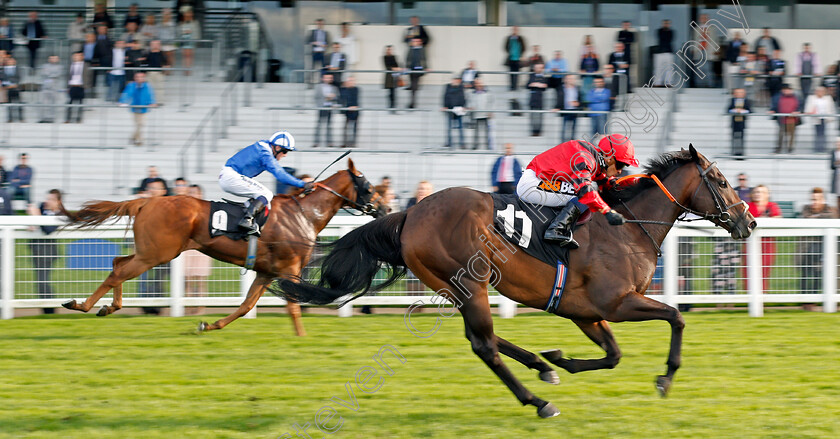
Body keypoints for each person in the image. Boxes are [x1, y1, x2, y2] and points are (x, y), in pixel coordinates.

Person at [516, 134, 639, 247]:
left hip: (538, 179)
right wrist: (607, 212)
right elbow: (586, 191)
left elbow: (607, 181)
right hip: (532, 185)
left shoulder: (592, 156)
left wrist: (639, 183)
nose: (620, 171)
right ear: (610, 158)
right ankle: (556, 229)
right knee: (585, 194)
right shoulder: (585, 159)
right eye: (621, 165)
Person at [219, 131, 314, 235]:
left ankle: (246, 215)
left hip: (230, 175)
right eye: (285, 151)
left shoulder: (263, 148)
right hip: (231, 176)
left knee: (262, 198)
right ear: (277, 148)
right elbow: (280, 174)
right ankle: (246, 220)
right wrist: (302, 184)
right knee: (266, 194)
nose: (285, 155)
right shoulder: (265, 153)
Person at [796, 187, 837, 302]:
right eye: (812, 199)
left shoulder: (829, 209)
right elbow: (806, 218)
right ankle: (804, 300)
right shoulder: (806, 208)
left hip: (823, 250)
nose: (814, 203)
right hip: (806, 249)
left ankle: (814, 299)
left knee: (817, 275)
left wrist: (816, 218)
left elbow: (830, 217)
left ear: (822, 199)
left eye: (817, 200)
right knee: (805, 274)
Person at [27, 189, 63, 314]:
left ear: (58, 202)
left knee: (42, 281)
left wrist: (36, 217)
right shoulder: (42, 207)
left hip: (48, 252)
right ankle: (48, 310)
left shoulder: (60, 215)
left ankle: (50, 311)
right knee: (40, 282)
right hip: (37, 250)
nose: (47, 201)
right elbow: (35, 224)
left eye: (51, 199)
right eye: (47, 198)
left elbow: (48, 229)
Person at [746, 185, 782, 292]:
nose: (758, 194)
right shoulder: (748, 206)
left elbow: (778, 218)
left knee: (764, 271)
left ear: (767, 194)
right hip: (750, 244)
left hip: (767, 244)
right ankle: (750, 295)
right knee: (749, 270)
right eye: (756, 192)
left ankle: (762, 294)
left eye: (761, 192)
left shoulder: (772, 206)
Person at [183, 184, 211, 315]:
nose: (193, 195)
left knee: (200, 279)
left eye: (195, 192)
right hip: (187, 247)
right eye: (190, 192)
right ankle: (188, 307)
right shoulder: (184, 211)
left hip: (202, 247)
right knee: (187, 279)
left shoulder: (206, 209)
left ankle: (200, 307)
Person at [119, 71, 156, 146]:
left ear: (144, 78)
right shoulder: (131, 85)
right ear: (135, 78)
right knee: (139, 124)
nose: (139, 79)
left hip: (144, 107)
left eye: (141, 77)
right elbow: (127, 94)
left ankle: (135, 139)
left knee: (141, 124)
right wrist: (123, 101)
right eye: (137, 77)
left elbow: (150, 94)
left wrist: (152, 102)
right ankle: (138, 140)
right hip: (135, 108)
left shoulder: (147, 86)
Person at [769, 84, 800, 153]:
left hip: (792, 119)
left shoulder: (796, 97)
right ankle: (778, 148)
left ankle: (790, 148)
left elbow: (800, 105)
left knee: (791, 134)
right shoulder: (778, 97)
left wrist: (797, 111)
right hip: (781, 118)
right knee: (780, 134)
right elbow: (774, 105)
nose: (787, 91)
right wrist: (772, 110)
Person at [804, 86, 835, 153]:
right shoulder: (811, 98)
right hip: (816, 118)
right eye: (818, 91)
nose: (820, 93)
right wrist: (811, 112)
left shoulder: (828, 98)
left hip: (825, 118)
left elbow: (831, 108)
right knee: (818, 133)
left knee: (823, 133)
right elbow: (808, 108)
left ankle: (823, 148)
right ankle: (817, 148)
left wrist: (831, 117)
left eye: (822, 91)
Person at [314, 72, 339, 148]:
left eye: (330, 78)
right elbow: (316, 97)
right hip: (321, 107)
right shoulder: (318, 87)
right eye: (326, 77)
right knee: (319, 125)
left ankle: (329, 142)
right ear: (323, 78)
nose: (328, 79)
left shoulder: (334, 88)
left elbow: (337, 97)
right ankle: (316, 142)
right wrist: (325, 98)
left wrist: (333, 98)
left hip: (330, 108)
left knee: (329, 125)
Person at [468, 78, 493, 150]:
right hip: (476, 114)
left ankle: (488, 145)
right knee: (476, 132)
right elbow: (470, 102)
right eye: (476, 84)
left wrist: (490, 112)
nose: (478, 85)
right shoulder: (472, 93)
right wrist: (470, 107)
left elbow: (491, 103)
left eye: (479, 83)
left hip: (485, 114)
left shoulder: (488, 93)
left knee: (487, 131)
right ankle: (475, 145)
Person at [442, 76, 466, 148]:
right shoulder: (448, 87)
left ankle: (462, 143)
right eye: (454, 80)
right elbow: (445, 96)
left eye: (457, 80)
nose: (456, 81)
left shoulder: (460, 87)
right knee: (449, 127)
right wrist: (445, 106)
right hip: (450, 109)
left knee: (461, 127)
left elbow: (462, 97)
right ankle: (449, 143)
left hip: (458, 109)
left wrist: (463, 106)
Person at [728, 88, 752, 158]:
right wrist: (735, 110)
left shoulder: (747, 101)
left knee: (741, 137)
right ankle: (734, 151)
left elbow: (750, 110)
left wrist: (742, 111)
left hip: (742, 122)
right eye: (737, 93)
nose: (739, 94)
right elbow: (728, 109)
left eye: (741, 93)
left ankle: (741, 152)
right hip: (734, 122)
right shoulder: (732, 101)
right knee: (734, 137)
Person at [38, 55, 62, 123]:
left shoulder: (59, 67)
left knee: (53, 104)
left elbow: (58, 74)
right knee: (43, 103)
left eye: (55, 58)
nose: (53, 59)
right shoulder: (45, 66)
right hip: (45, 87)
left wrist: (50, 75)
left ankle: (52, 118)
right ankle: (43, 118)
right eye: (51, 58)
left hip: (54, 88)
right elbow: (44, 73)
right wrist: (52, 75)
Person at [527, 63, 548, 137]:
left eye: (539, 68)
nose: (537, 69)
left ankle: (539, 131)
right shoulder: (531, 75)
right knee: (533, 116)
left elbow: (545, 86)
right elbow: (528, 85)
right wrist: (538, 85)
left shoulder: (543, 76)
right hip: (533, 99)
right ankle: (533, 131)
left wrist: (535, 84)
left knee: (539, 116)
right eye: (536, 67)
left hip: (540, 99)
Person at [178, 7, 200, 75]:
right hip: (184, 40)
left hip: (191, 40)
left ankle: (189, 69)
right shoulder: (181, 23)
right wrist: (183, 33)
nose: (188, 14)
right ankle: (185, 69)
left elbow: (197, 32)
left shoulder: (195, 23)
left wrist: (196, 39)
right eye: (186, 13)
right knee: (185, 55)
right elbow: (179, 32)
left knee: (190, 55)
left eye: (189, 13)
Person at [503, 26, 526, 91]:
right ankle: (512, 87)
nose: (515, 31)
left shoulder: (520, 38)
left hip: (518, 59)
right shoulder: (509, 38)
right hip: (511, 59)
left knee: (517, 74)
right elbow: (506, 47)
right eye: (514, 30)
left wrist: (521, 55)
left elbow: (523, 47)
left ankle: (515, 86)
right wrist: (510, 53)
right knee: (511, 73)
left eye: (516, 30)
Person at [405, 37, 426, 109]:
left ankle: (412, 102)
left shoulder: (422, 50)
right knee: (413, 85)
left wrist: (426, 67)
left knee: (414, 85)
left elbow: (424, 59)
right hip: (411, 69)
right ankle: (412, 100)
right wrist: (407, 67)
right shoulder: (411, 49)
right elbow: (407, 59)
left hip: (418, 69)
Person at [340, 76, 360, 148]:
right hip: (347, 111)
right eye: (349, 81)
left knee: (354, 128)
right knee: (345, 128)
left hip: (355, 110)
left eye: (352, 81)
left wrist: (354, 107)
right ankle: (344, 142)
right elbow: (343, 98)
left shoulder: (356, 89)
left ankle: (353, 143)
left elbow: (355, 99)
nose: (351, 82)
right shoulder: (344, 89)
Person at [307, 19, 330, 84]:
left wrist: (325, 45)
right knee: (312, 68)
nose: (320, 25)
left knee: (323, 68)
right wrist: (314, 43)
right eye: (319, 24)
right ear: (316, 24)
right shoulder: (312, 32)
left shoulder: (325, 33)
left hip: (322, 53)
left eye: (321, 24)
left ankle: (322, 82)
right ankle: (310, 82)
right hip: (315, 52)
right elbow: (308, 41)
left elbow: (328, 43)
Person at [145, 40, 168, 104]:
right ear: (150, 45)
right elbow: (144, 63)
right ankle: (150, 101)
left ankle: (159, 101)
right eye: (153, 44)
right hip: (149, 73)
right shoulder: (147, 54)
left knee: (160, 88)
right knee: (149, 88)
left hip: (159, 73)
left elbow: (166, 63)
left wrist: (165, 71)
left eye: (157, 44)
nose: (155, 46)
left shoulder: (162, 54)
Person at [66, 51, 86, 123]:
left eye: (78, 56)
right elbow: (68, 77)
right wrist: (68, 87)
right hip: (72, 86)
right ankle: (68, 118)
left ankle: (78, 118)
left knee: (80, 104)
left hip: (80, 86)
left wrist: (85, 86)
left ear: (82, 56)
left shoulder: (85, 65)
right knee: (69, 103)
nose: (76, 57)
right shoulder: (71, 65)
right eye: (75, 56)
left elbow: (89, 76)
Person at [653, 20, 674, 86]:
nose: (666, 25)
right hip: (660, 52)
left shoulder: (671, 31)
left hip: (668, 52)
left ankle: (668, 82)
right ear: (662, 24)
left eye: (667, 23)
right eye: (665, 23)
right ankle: (657, 83)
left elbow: (669, 39)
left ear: (669, 24)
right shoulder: (659, 31)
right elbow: (662, 38)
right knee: (658, 68)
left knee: (669, 68)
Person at [2, 57, 23, 122]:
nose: (10, 62)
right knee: (9, 104)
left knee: (19, 103)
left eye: (11, 60)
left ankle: (21, 118)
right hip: (8, 88)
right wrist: (7, 85)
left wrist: (14, 84)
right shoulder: (4, 69)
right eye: (9, 60)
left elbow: (19, 77)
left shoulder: (18, 69)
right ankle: (10, 118)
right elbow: (3, 77)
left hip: (16, 88)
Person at [560, 74, 581, 140]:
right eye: (569, 78)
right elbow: (559, 98)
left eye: (572, 79)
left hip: (574, 110)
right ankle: (563, 144)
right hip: (565, 110)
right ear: (565, 80)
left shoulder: (577, 88)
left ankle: (572, 142)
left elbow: (580, 99)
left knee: (573, 129)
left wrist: (578, 103)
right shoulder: (562, 88)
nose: (571, 80)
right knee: (564, 128)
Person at [383, 45, 400, 110]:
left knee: (394, 92)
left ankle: (393, 105)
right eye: (389, 49)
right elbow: (387, 67)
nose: (390, 51)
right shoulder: (385, 57)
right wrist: (395, 68)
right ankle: (391, 105)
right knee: (390, 92)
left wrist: (396, 69)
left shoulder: (394, 57)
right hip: (389, 76)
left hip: (395, 76)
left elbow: (397, 65)